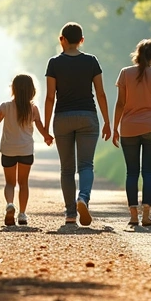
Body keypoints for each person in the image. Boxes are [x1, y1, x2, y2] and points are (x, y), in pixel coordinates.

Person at [44, 22, 111, 227]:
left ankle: (71, 213)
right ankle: (83, 197)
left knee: (66, 169)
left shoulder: (54, 63)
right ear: (82, 40)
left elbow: (50, 97)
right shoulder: (91, 61)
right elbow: (100, 93)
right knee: (86, 164)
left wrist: (45, 127)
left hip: (63, 117)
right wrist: (108, 121)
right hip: (87, 117)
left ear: (61, 39)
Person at [111, 39, 151, 227]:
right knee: (148, 172)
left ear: (137, 54)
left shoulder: (125, 73)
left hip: (129, 129)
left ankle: (133, 216)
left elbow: (120, 104)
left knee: (131, 172)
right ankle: (146, 215)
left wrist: (115, 128)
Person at [0, 74, 51, 226]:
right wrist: (47, 137)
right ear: (32, 90)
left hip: (8, 150)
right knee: (23, 183)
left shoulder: (5, 107)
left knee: (10, 183)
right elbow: (41, 128)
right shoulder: (33, 109)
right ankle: (22, 214)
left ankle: (10, 204)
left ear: (13, 89)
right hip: (26, 150)